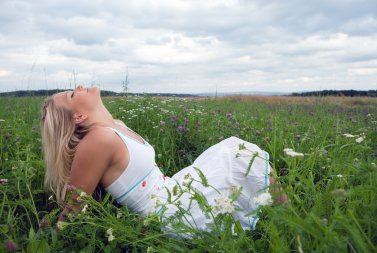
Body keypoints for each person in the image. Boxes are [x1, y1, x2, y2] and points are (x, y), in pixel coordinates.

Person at [41, 85, 286, 233]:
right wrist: (51, 235)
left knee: (236, 152)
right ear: (79, 117)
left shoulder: (116, 126)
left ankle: (286, 216)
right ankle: (290, 219)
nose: (80, 86)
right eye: (73, 93)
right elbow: (74, 206)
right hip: (168, 215)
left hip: (172, 190)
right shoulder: (97, 140)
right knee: (238, 152)